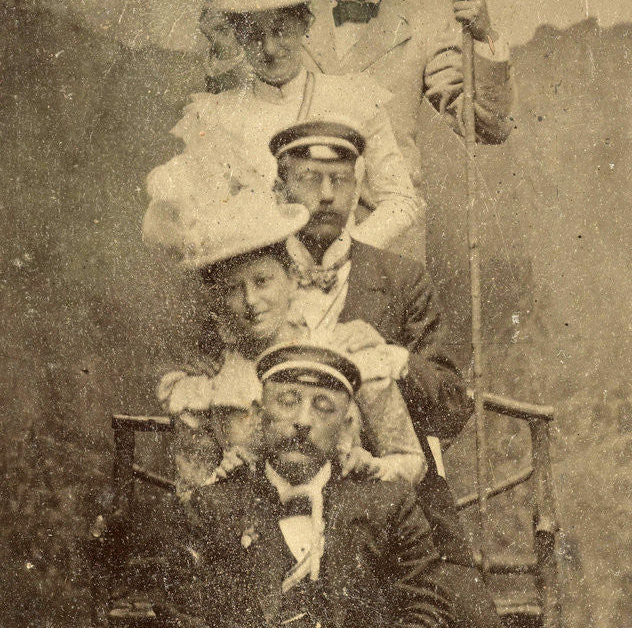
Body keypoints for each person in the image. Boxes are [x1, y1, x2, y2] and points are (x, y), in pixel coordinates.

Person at [271, 119, 529, 628]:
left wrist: (397, 358)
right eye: (310, 179)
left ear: (361, 188)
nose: (328, 195)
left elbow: (451, 408)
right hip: (281, 500)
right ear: (281, 187)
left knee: (478, 621)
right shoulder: (255, 278)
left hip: (403, 510)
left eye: (342, 180)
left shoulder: (400, 278)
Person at [117, 343, 485, 628]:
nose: (303, 421)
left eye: (323, 407)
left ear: (347, 425)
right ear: (259, 413)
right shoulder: (212, 506)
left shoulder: (387, 503)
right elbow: (179, 624)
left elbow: (430, 617)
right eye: (288, 401)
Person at [202, 0, 514, 258]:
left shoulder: (424, 27)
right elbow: (236, 105)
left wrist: (485, 40)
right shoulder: (285, 12)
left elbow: (488, 127)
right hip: (288, 232)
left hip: (387, 238)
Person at [143, 167, 426, 493]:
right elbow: (193, 499)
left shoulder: (347, 352)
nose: (250, 300)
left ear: (292, 277)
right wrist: (221, 480)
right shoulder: (205, 386)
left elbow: (410, 461)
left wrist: (372, 467)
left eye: (263, 281)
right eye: (234, 289)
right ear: (218, 299)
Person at [163, 0, 422, 251]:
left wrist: (345, 253)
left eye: (282, 30)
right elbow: (206, 215)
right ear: (237, 36)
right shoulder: (215, 115)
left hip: (338, 280)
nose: (270, 48)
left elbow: (402, 200)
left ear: (305, 24)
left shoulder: (353, 98)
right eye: (254, 35)